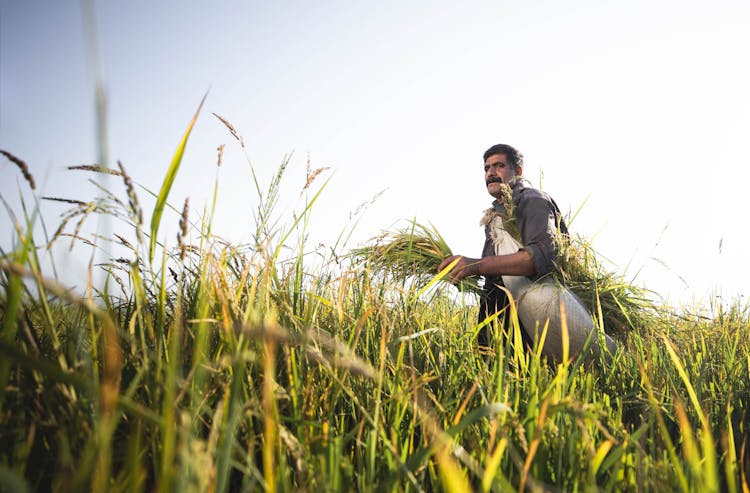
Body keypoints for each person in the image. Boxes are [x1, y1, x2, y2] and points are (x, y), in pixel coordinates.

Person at [438, 143, 568, 349]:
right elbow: (496, 271)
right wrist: (460, 272)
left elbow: (538, 257)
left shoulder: (531, 200)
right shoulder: (494, 215)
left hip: (530, 317)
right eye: (486, 168)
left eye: (498, 166)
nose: (491, 173)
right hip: (498, 319)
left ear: (518, 171)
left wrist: (476, 265)